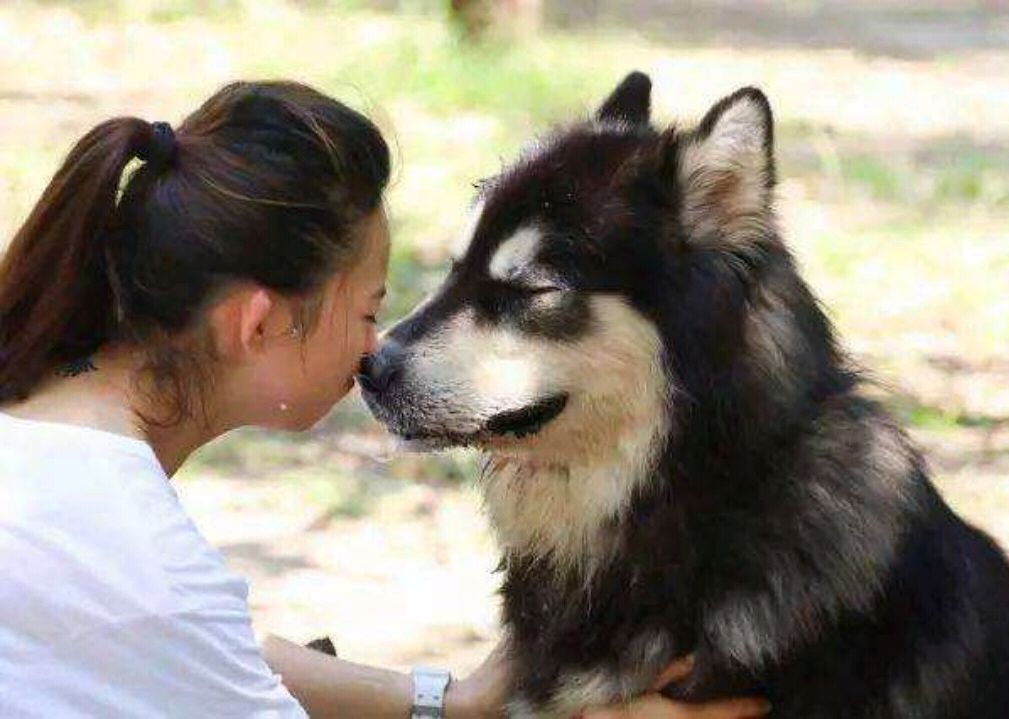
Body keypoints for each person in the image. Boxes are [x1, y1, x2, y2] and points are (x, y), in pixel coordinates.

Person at [0, 80, 768, 719]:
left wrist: (449, 702)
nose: (380, 349)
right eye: (369, 311)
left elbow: (217, 658)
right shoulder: (147, 577)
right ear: (257, 323)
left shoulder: (47, 442)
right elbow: (184, 641)